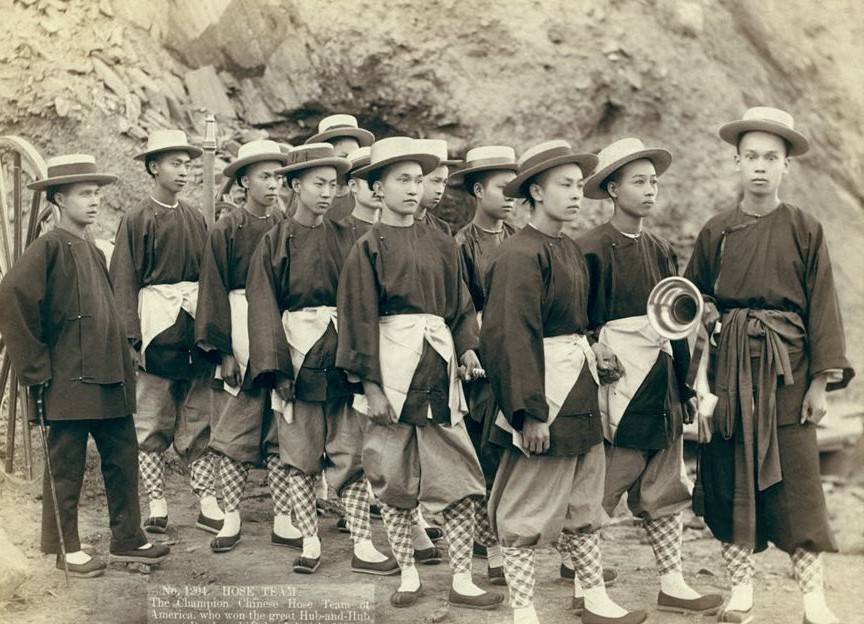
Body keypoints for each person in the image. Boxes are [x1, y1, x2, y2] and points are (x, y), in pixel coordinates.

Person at [685, 106, 854, 624]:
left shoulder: (805, 228)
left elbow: (822, 306)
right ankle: (741, 593)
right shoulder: (716, 231)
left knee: (799, 483)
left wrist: (820, 384)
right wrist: (706, 311)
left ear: (786, 165)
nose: (760, 166)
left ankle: (813, 600)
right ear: (736, 162)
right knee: (730, 474)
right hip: (730, 370)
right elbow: (693, 296)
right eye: (751, 156)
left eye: (771, 158)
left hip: (788, 372)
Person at [482, 140, 646, 624]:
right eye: (565, 186)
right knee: (527, 507)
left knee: (584, 502)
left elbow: (580, 323)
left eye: (579, 186)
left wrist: (595, 347)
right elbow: (510, 338)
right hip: (544, 393)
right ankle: (524, 609)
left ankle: (593, 597)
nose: (576, 194)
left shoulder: (569, 249)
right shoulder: (517, 255)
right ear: (536, 191)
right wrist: (529, 412)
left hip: (579, 386)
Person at [336, 137, 503, 610]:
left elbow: (460, 305)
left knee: (459, 478)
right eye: (401, 180)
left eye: (417, 180)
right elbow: (357, 321)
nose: (412, 189)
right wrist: (372, 388)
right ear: (377, 188)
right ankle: (408, 573)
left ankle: (462, 577)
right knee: (393, 479)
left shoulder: (441, 241)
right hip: (391, 372)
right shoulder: (366, 249)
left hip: (437, 369)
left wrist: (467, 348)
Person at [0, 154, 170, 576]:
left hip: (110, 377)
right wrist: (36, 370)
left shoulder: (93, 249)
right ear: (59, 198)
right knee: (66, 468)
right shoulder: (48, 247)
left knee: (122, 458)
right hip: (69, 380)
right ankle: (67, 548)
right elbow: (12, 298)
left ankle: (128, 538)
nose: (94, 201)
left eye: (96, 193)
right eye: (84, 194)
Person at [578, 138, 723, 616]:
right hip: (615, 379)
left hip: (660, 379)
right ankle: (585, 585)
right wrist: (594, 345)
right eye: (638, 181)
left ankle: (672, 583)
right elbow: (575, 320)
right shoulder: (588, 249)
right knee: (601, 484)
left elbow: (676, 325)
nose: (649, 190)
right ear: (612, 189)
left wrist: (685, 387)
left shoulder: (660, 250)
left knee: (665, 485)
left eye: (653, 182)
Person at [246, 143, 397, 576]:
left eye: (334, 184)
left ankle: (362, 543)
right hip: (297, 356)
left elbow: (363, 301)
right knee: (299, 453)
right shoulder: (274, 242)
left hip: (342, 353)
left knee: (350, 451)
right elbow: (263, 307)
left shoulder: (348, 238)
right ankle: (310, 540)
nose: (328, 193)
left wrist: (363, 364)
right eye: (319, 184)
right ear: (295, 186)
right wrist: (277, 369)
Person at [109, 129, 224, 535]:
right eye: (175, 164)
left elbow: (209, 279)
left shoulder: (195, 218)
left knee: (198, 419)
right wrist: (131, 338)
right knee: (152, 420)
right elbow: (123, 281)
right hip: (157, 330)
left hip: (191, 328)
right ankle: (156, 501)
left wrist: (211, 332)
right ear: (154, 167)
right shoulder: (136, 219)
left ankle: (206, 499)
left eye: (187, 165)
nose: (183, 171)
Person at [195, 140, 291, 553]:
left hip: (280, 328)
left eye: (278, 177)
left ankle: (284, 516)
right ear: (244, 181)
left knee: (280, 426)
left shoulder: (285, 224)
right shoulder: (227, 228)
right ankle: (231, 515)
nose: (273, 185)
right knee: (235, 427)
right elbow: (213, 288)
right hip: (239, 325)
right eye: (264, 177)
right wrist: (224, 353)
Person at [450, 145, 519, 585]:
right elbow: (458, 305)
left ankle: (509, 537)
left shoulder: (519, 239)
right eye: (501, 188)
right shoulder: (460, 244)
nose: (510, 197)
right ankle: (490, 546)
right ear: (478, 190)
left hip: (517, 352)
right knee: (484, 448)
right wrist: (468, 349)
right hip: (480, 357)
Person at [305, 114, 375, 222]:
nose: (350, 163)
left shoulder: (369, 197)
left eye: (354, 155)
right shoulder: (308, 197)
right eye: (343, 157)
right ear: (326, 158)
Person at [413, 138, 458, 235]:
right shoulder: (390, 225)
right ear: (417, 180)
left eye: (444, 182)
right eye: (436, 181)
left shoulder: (442, 228)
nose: (440, 190)